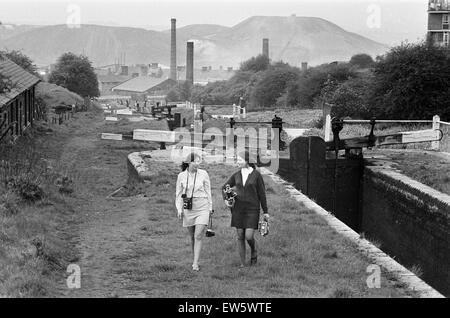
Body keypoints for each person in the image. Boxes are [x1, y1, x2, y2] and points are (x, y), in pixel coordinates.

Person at [222, 151, 270, 267]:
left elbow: (262, 194)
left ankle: (254, 250)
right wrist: (226, 200)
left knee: (248, 236)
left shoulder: (256, 175)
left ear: (247, 161)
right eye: (237, 160)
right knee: (240, 235)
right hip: (238, 209)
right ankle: (242, 264)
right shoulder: (236, 174)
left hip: (252, 209)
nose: (238, 162)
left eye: (240, 160)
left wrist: (266, 211)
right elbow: (224, 187)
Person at [175, 153, 213, 271]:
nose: (197, 164)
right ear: (188, 162)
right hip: (188, 207)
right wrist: (179, 209)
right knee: (192, 236)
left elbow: (208, 191)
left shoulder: (204, 174)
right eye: (195, 161)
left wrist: (210, 207)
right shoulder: (181, 175)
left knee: (198, 235)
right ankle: (195, 258)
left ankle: (195, 263)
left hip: (202, 206)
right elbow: (179, 194)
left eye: (199, 161)